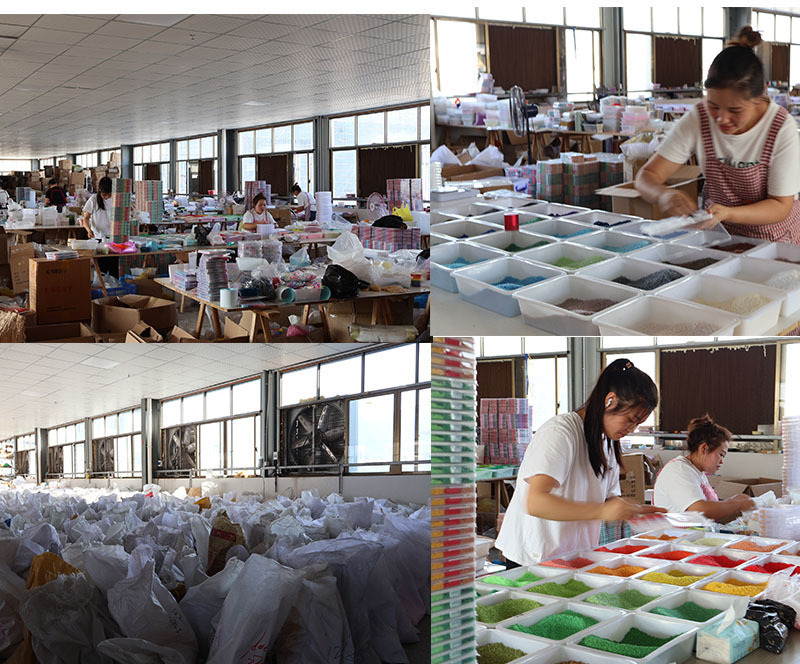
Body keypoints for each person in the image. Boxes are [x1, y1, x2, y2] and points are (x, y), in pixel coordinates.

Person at [635, 25, 800, 244]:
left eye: (735, 110)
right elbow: (647, 176)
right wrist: (663, 194)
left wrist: (729, 213)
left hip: (773, 239)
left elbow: (780, 205)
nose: (721, 119)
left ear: (759, 96)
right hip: (720, 235)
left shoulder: (780, 127)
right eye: (713, 106)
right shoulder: (700, 118)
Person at [495, 359, 665, 566]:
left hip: (571, 555)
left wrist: (635, 511)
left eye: (638, 423)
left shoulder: (607, 441)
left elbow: (607, 500)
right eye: (631, 420)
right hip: (534, 556)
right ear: (610, 400)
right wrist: (602, 512)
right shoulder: (561, 432)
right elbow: (535, 502)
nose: (632, 429)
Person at [653, 415, 755, 521]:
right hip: (675, 531)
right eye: (721, 454)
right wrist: (736, 504)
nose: (722, 461)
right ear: (704, 448)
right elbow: (699, 510)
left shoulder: (697, 472)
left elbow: (709, 508)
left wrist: (732, 501)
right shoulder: (679, 470)